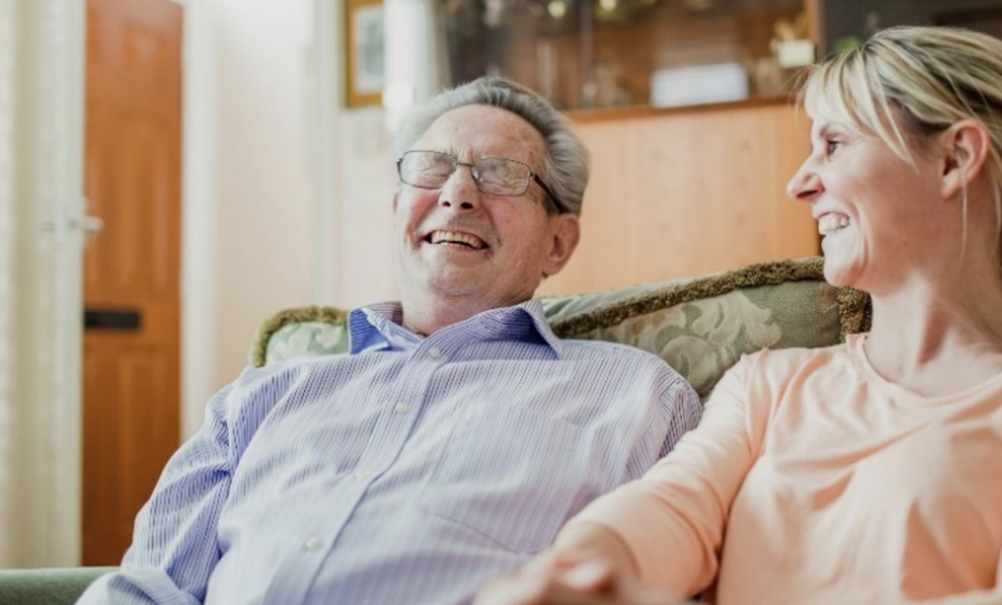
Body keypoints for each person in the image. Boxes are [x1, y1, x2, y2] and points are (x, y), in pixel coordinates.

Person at [476, 26, 1002, 605]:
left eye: (834, 144)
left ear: (955, 159)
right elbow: (671, 507)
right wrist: (585, 568)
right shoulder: (770, 383)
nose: (799, 183)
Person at [78, 77, 702, 605]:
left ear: (558, 243)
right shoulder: (256, 399)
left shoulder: (639, 396)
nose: (458, 194)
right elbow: (147, 587)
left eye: (501, 174)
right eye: (434, 168)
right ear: (400, 204)